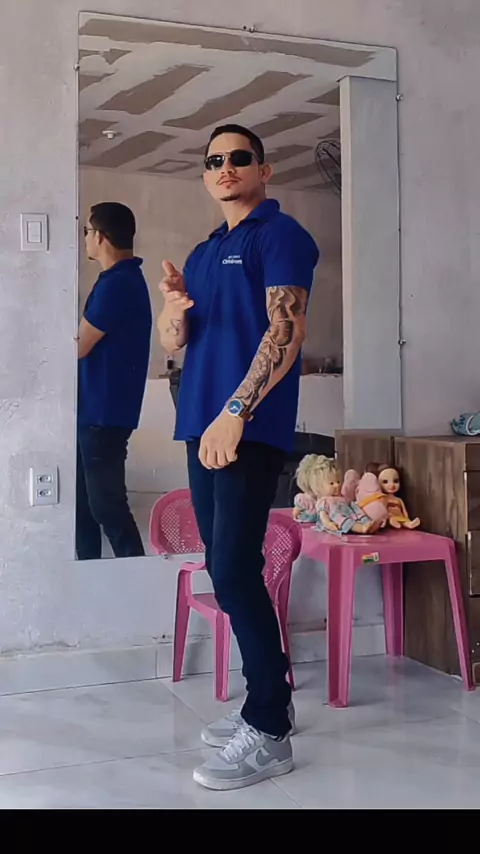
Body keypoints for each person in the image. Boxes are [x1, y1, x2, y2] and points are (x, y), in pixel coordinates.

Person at [158, 124, 319, 791]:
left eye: (239, 158)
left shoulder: (280, 236)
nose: (225, 167)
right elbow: (177, 342)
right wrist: (173, 311)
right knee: (227, 570)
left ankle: (270, 728)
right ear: (205, 174)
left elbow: (287, 330)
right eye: (214, 160)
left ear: (264, 169)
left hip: (245, 428)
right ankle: (268, 699)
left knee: (231, 568)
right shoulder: (204, 251)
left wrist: (235, 412)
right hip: (201, 426)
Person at [76, 202, 152, 560]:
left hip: (103, 413)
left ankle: (135, 577)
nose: (85, 240)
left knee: (107, 507)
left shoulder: (118, 284)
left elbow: (80, 345)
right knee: (84, 508)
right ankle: (87, 577)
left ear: (101, 236)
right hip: (96, 410)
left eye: (87, 232)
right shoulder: (118, 280)